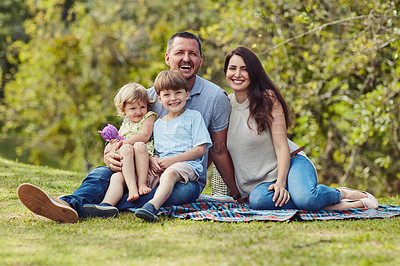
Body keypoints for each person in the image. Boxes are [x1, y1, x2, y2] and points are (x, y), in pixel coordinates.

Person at [17, 31, 238, 223]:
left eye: (193, 53)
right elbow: (126, 136)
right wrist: (109, 154)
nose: (186, 58)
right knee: (102, 174)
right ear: (168, 58)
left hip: (182, 177)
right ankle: (66, 203)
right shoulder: (149, 98)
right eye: (180, 52)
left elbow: (217, 149)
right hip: (142, 165)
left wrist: (236, 193)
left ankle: (97, 206)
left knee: (173, 192)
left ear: (200, 59)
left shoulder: (215, 97)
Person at [223, 46, 379, 211]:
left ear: (253, 73)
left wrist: (281, 183)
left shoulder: (267, 99)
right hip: (259, 186)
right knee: (258, 200)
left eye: (244, 69)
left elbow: (281, 145)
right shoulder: (223, 104)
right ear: (226, 71)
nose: (237, 74)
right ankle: (323, 204)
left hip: (291, 164)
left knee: (306, 198)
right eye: (232, 68)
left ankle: (341, 194)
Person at [134, 70, 212, 221]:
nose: (173, 98)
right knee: (144, 179)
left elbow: (201, 149)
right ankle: (122, 199)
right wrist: (153, 160)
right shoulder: (157, 124)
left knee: (170, 173)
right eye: (167, 94)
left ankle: (152, 206)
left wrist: (173, 161)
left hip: (186, 165)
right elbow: (156, 151)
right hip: (162, 165)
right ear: (159, 98)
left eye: (178, 93)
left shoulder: (193, 117)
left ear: (187, 94)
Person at [95, 83, 158, 208]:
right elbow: (117, 139)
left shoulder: (149, 117)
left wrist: (123, 143)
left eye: (142, 107)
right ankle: (105, 205)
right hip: (127, 162)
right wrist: (111, 147)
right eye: (133, 108)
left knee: (138, 145)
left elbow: (145, 136)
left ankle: (141, 184)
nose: (138, 112)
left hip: (142, 156)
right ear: (124, 110)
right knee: (117, 178)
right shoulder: (125, 124)